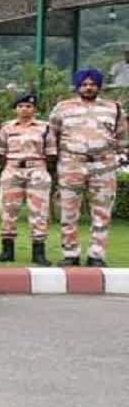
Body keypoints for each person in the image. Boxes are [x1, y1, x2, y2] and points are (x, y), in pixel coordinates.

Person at [49, 68, 128, 267]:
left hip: (103, 165)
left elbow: (122, 137)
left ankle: (97, 255)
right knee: (68, 211)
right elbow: (52, 135)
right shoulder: (63, 107)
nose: (88, 87)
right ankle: (70, 253)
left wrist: (120, 157)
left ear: (99, 87)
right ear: (78, 86)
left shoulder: (114, 108)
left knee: (102, 211)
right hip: (71, 164)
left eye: (93, 84)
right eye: (84, 84)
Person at [0, 93, 56, 265]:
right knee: (7, 210)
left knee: (39, 211)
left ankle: (39, 252)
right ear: (15, 109)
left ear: (34, 109)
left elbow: (51, 153)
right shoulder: (7, 128)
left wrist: (38, 166)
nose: (24, 109)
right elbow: (0, 153)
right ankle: (7, 251)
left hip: (37, 169)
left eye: (28, 106)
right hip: (12, 169)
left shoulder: (45, 128)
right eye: (20, 106)